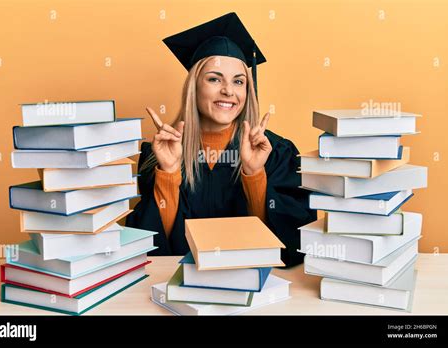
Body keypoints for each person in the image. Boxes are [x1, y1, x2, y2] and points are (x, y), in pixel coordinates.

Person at [126, 12, 316, 267]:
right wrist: (169, 173)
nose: (228, 90)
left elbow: (292, 248)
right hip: (180, 287)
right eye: (215, 79)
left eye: (238, 81)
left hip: (260, 288)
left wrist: (255, 174)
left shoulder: (277, 152)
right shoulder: (160, 154)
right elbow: (150, 249)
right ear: (194, 87)